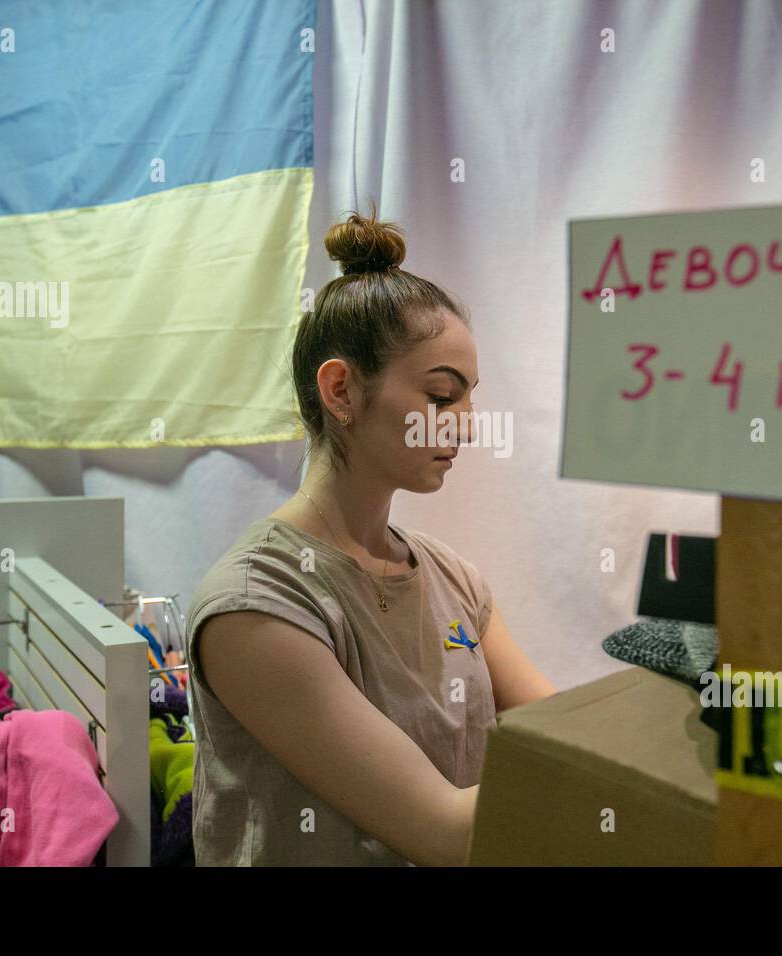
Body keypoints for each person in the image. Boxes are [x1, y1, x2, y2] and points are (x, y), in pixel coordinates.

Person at [186, 205, 556, 866]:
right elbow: (447, 831)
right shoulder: (256, 606)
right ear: (341, 391)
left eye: (470, 400)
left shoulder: (453, 581)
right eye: (442, 397)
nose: (465, 428)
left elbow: (559, 737)